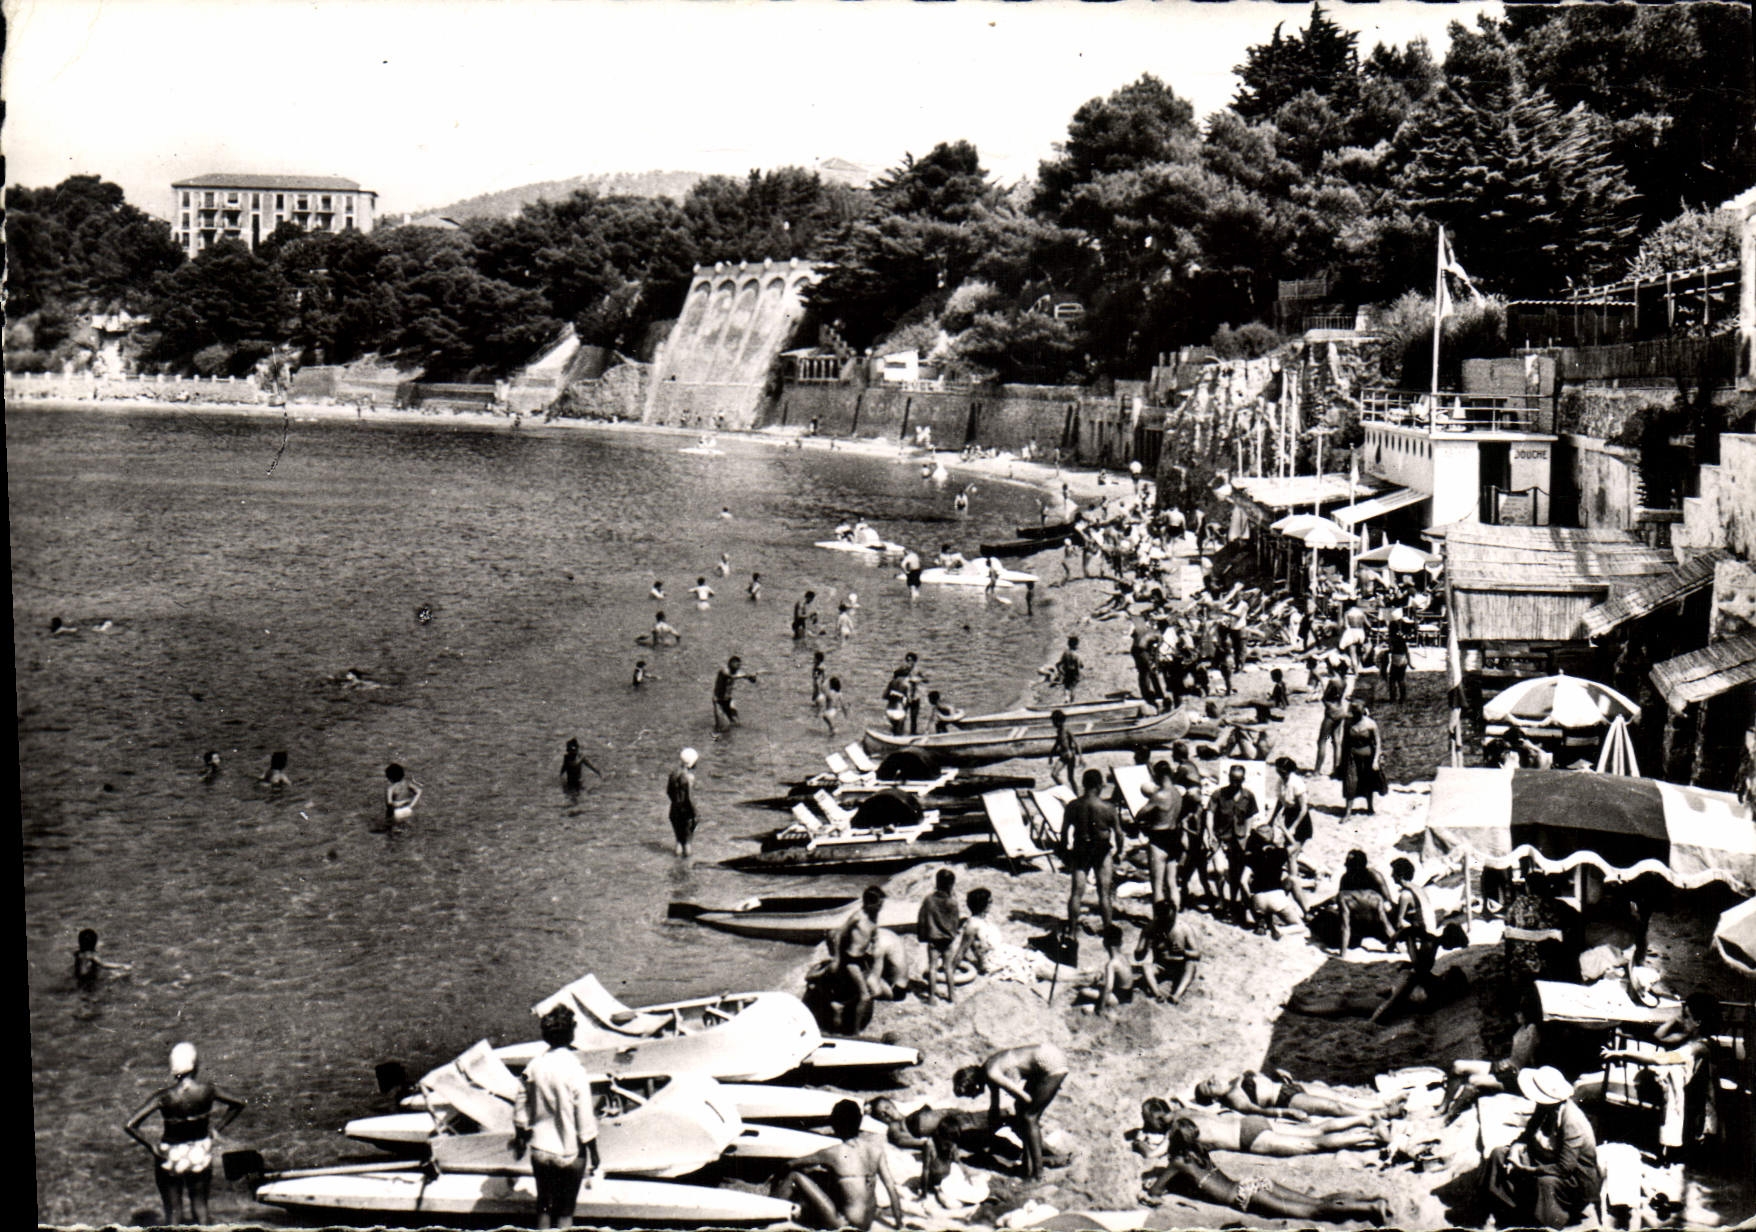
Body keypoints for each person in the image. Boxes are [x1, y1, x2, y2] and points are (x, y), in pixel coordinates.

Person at [1139, 1117, 1390, 1224]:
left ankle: (1370, 1208)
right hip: (1253, 1182)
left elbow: (1156, 1192)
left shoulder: (1179, 1163)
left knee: (1313, 1211)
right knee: (1314, 1201)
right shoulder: (1201, 1150)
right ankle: (1367, 1202)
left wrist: (1151, 1187)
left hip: (1244, 1197)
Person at [123, 1043, 246, 1226]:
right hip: (200, 1151)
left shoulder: (164, 1096)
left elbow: (130, 1125)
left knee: (174, 1213)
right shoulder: (208, 1090)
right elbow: (239, 1104)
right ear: (195, 1065)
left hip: (170, 1153)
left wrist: (152, 1146)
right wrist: (216, 1129)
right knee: (201, 1208)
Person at [1600, 991, 1722, 1158]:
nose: (1682, 1019)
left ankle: (1666, 1146)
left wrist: (1623, 1053)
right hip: (1684, 1088)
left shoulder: (1697, 1047)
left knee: (1654, 1073)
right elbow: (1659, 1036)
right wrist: (1678, 1018)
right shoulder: (1693, 1038)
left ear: (1698, 1022)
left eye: (1685, 1016)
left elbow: (1661, 1059)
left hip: (1687, 1093)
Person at [1478, 1067, 1601, 1230]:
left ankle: (1547, 1221)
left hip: (1574, 1179)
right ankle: (1498, 1208)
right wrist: (1515, 1150)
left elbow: (1565, 1168)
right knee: (1498, 1154)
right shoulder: (1544, 1108)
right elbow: (1527, 1134)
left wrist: (1527, 1169)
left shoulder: (1572, 1121)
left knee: (1545, 1182)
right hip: (1545, 1160)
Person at [513, 1005, 600, 1230]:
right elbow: (585, 1118)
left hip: (541, 1148)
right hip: (569, 1152)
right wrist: (594, 1153)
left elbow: (521, 1103)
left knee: (544, 1204)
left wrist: (520, 1134)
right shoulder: (575, 1069)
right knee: (565, 1210)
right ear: (571, 1033)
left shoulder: (534, 1066)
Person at [770, 1099, 903, 1232]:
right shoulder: (875, 1150)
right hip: (867, 1223)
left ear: (836, 1125)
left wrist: (774, 1180)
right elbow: (891, 1188)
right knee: (826, 1177)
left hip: (843, 1223)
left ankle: (768, 1212)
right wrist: (899, 1225)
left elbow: (790, 1164)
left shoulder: (833, 1153)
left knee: (794, 1176)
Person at [1131, 1097, 1390, 1160]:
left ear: (1156, 1118)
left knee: (1314, 1144)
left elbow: (1153, 1154)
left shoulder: (1175, 1127)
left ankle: (1369, 1135)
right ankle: (1366, 1119)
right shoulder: (1185, 1111)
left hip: (1248, 1137)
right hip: (1249, 1122)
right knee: (1317, 1130)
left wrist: (1140, 1143)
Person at [953, 1044, 1069, 1181]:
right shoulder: (987, 1068)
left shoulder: (992, 1074)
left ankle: (1037, 1174)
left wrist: (1017, 1120)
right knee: (1022, 1114)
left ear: (974, 1085)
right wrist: (991, 1130)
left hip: (1050, 1062)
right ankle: (1031, 1165)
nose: (972, 1097)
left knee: (1029, 1117)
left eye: (970, 1094)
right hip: (1045, 1056)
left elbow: (1025, 1098)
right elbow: (994, 1106)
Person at [1060, 768, 1124, 937]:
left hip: (1080, 847)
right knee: (1104, 892)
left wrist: (1065, 851)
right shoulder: (1108, 807)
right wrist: (1119, 851)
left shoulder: (1073, 806)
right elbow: (1119, 833)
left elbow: (1064, 832)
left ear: (1084, 784)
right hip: (1101, 848)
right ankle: (1108, 929)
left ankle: (1073, 930)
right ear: (1098, 785)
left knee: (1076, 892)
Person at [1194, 1071, 1405, 1120]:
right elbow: (1256, 1110)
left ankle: (1381, 1104)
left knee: (1339, 1096)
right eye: (1209, 1087)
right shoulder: (1233, 1097)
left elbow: (1262, 1080)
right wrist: (1286, 1112)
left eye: (1208, 1080)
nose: (1212, 1081)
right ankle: (1383, 1114)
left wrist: (1277, 1074)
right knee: (1334, 1107)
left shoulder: (1234, 1080)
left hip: (1290, 1086)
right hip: (1286, 1099)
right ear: (1213, 1099)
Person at [830, 886, 887, 1033]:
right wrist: (836, 958)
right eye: (879, 905)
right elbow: (837, 935)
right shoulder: (857, 917)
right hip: (851, 961)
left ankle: (841, 1005)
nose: (881, 908)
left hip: (862, 960)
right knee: (865, 996)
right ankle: (856, 1032)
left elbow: (873, 935)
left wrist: (874, 946)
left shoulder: (874, 916)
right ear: (869, 903)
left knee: (877, 991)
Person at [1207, 765, 1259, 918]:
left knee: (1236, 874)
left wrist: (1247, 833)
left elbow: (1250, 815)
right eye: (1232, 779)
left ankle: (1233, 902)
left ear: (1243, 779)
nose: (1235, 782)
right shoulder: (1219, 795)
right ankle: (1222, 899)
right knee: (1220, 870)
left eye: (1238, 779)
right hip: (1221, 837)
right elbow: (1210, 813)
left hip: (1239, 840)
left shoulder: (1248, 796)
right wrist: (1210, 833)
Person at [1136, 759, 1185, 911]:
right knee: (1172, 883)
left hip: (1159, 838)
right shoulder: (1177, 793)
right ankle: (1175, 916)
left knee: (1157, 886)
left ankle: (1159, 919)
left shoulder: (1159, 795)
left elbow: (1140, 814)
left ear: (1158, 776)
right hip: (1174, 836)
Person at [1135, 900, 1201, 1003]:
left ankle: (1177, 995)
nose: (1168, 922)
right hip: (1160, 966)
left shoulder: (1184, 928)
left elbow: (1197, 954)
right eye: (1164, 919)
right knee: (1145, 967)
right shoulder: (1150, 928)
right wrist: (1146, 947)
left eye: (1171, 919)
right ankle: (1157, 994)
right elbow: (1138, 957)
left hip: (1179, 966)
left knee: (1191, 966)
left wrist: (1184, 952)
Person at [916, 869, 961, 1004]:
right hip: (947, 941)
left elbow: (922, 919)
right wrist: (952, 935)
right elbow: (955, 923)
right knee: (948, 968)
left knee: (932, 967)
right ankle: (951, 995)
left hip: (933, 940)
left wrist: (923, 936)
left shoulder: (929, 900)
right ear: (951, 885)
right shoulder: (952, 903)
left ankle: (931, 996)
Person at [1338, 701, 1385, 819]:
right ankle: (1348, 812)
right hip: (1352, 756)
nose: (1356, 715)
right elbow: (1344, 742)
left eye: (1358, 713)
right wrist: (1341, 760)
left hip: (1367, 757)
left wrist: (1375, 761)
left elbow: (1378, 743)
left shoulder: (1371, 724)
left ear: (1363, 711)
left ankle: (1370, 807)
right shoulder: (1348, 723)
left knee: (1368, 782)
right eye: (1354, 713)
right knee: (1350, 782)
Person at [1267, 756, 1311, 844]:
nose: (1280, 774)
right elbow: (1280, 801)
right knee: (1287, 842)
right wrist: (1272, 820)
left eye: (1282, 772)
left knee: (1295, 844)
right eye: (1278, 771)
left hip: (1299, 818)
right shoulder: (1281, 781)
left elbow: (1303, 809)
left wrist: (1294, 827)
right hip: (1288, 814)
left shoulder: (1296, 783)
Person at [73, 927, 131, 992]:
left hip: (78, 980)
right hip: (88, 982)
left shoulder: (78, 954)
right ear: (94, 944)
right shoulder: (91, 955)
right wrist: (121, 966)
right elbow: (103, 964)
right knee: (118, 977)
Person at [666, 749, 699, 858]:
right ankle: (687, 869)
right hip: (687, 812)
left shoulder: (673, 774)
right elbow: (689, 798)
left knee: (679, 841)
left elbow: (669, 792)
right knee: (688, 843)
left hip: (674, 810)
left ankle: (677, 866)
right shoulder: (689, 777)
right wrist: (695, 813)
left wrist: (676, 802)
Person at [712, 655, 758, 730]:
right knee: (720, 727)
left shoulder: (737, 672)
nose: (738, 667)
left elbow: (749, 679)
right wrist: (746, 676)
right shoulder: (724, 671)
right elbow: (730, 676)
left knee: (736, 723)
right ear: (730, 664)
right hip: (718, 701)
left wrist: (751, 678)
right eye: (737, 665)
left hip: (728, 700)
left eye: (739, 665)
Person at [1047, 709, 1080, 787]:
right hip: (1064, 756)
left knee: (1070, 778)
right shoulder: (1059, 731)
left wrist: (1081, 757)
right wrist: (1051, 755)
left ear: (1058, 721)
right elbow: (1057, 744)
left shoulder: (1066, 730)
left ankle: (1076, 795)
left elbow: (1077, 743)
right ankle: (1065, 790)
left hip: (1070, 755)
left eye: (1054, 721)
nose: (1053, 723)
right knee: (1054, 774)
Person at [1055, 635, 1083, 703]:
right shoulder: (1076, 655)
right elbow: (1079, 666)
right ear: (1075, 645)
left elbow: (1058, 664)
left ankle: (1066, 699)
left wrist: (1060, 672)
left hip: (1067, 672)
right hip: (1074, 673)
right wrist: (1078, 675)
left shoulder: (1065, 653)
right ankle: (1071, 702)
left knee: (1067, 687)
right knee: (1072, 688)